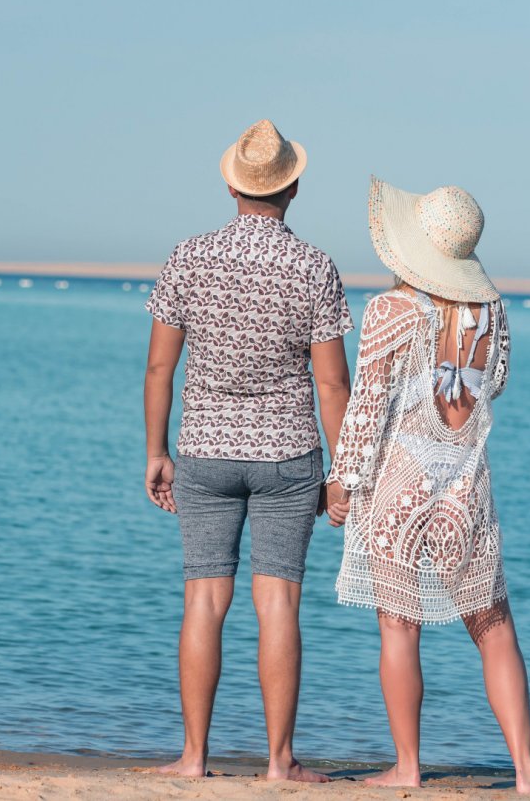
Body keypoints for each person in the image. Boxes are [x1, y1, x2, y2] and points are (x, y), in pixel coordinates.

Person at [324, 177, 530, 794]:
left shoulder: (390, 311)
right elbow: (496, 384)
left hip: (400, 478)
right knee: (494, 626)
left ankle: (407, 770)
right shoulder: (493, 313)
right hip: (466, 479)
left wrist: (343, 481)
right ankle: (528, 773)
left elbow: (367, 407)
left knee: (399, 627)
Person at [143, 119, 353, 782]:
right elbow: (331, 381)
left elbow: (158, 369)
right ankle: (278, 762)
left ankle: (194, 756)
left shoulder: (189, 255)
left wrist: (156, 449)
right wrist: (343, 471)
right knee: (278, 604)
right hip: (288, 456)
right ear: (293, 188)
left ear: (232, 183)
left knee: (203, 599)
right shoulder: (314, 266)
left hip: (204, 448)